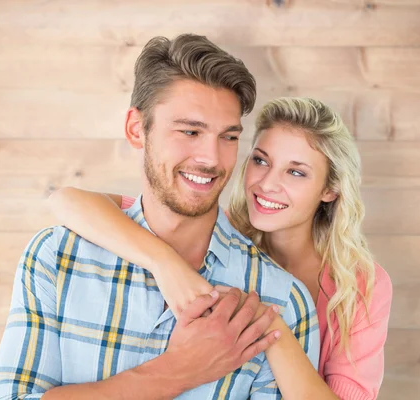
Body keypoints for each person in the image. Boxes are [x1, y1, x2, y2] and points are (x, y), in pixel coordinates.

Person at [0, 34, 319, 400]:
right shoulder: (57, 257)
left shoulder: (281, 301)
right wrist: (175, 372)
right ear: (137, 129)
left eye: (228, 137)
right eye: (190, 131)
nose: (211, 159)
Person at [49, 97, 393, 400]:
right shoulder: (211, 232)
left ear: (330, 190)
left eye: (296, 173)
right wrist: (165, 263)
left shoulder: (359, 287)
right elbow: (66, 201)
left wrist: (270, 323)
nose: (268, 184)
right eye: (261, 161)